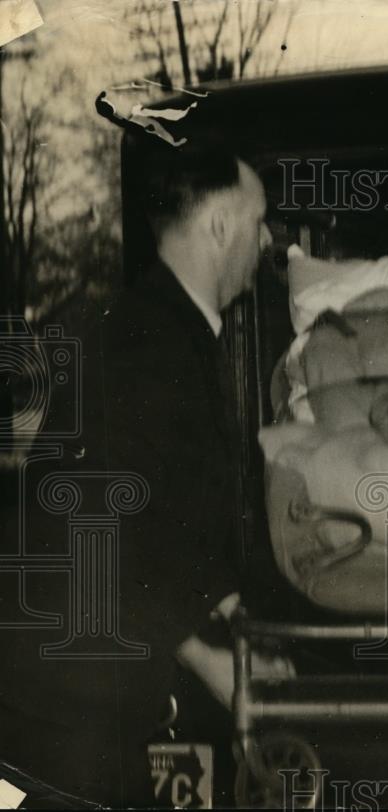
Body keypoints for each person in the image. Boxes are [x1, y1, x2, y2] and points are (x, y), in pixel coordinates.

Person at [0, 145, 278, 807]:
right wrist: (214, 664)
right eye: (260, 221)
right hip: (61, 706)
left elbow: (164, 513)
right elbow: (101, 533)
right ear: (219, 228)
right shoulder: (147, 348)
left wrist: (233, 611)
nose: (267, 241)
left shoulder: (163, 330)